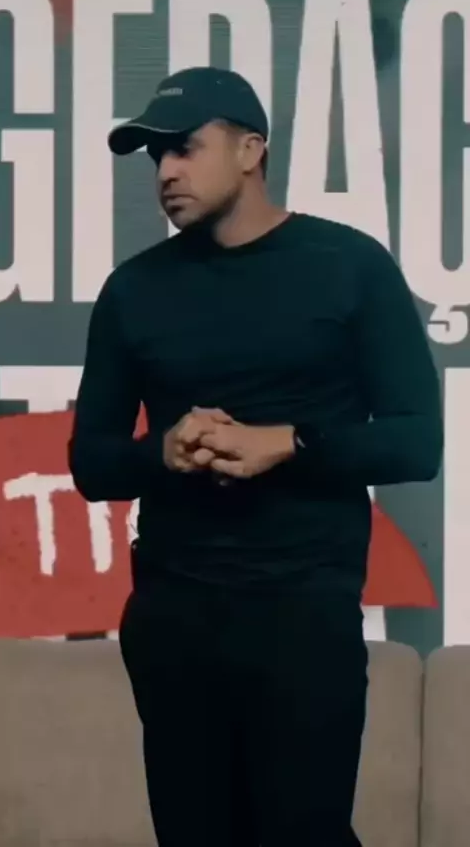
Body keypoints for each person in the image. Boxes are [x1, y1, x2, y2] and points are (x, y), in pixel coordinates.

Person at [68, 66, 443, 847]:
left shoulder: (350, 266)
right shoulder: (133, 291)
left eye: (185, 148)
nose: (165, 171)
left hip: (303, 615)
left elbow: (417, 440)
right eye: (156, 156)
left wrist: (289, 443)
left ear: (251, 150)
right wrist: (162, 452)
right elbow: (92, 463)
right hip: (174, 618)